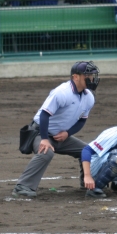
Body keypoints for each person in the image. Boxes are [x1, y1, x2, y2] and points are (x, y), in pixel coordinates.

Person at [11, 61, 100, 198]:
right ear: (75, 77)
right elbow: (44, 115)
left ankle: (87, 183)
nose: (91, 79)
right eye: (87, 76)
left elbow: (82, 121)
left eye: (92, 76)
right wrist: (45, 139)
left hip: (60, 136)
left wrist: (67, 133)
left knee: (88, 151)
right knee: (46, 152)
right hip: (40, 132)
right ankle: (22, 187)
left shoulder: (89, 97)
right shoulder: (62, 92)